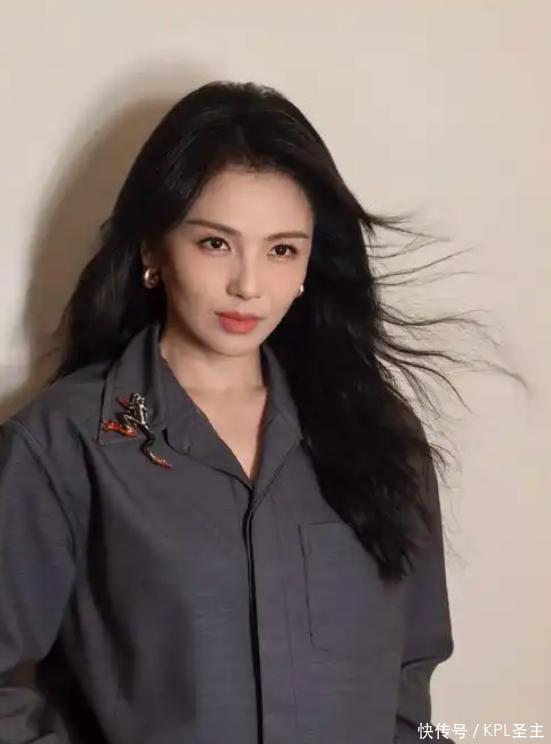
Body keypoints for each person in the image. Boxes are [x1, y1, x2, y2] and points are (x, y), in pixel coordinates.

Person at [0, 80, 457, 744]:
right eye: (215, 243)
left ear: (309, 265)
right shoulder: (62, 444)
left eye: (281, 249)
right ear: (153, 250)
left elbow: (411, 669)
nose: (248, 284)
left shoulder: (380, 433)